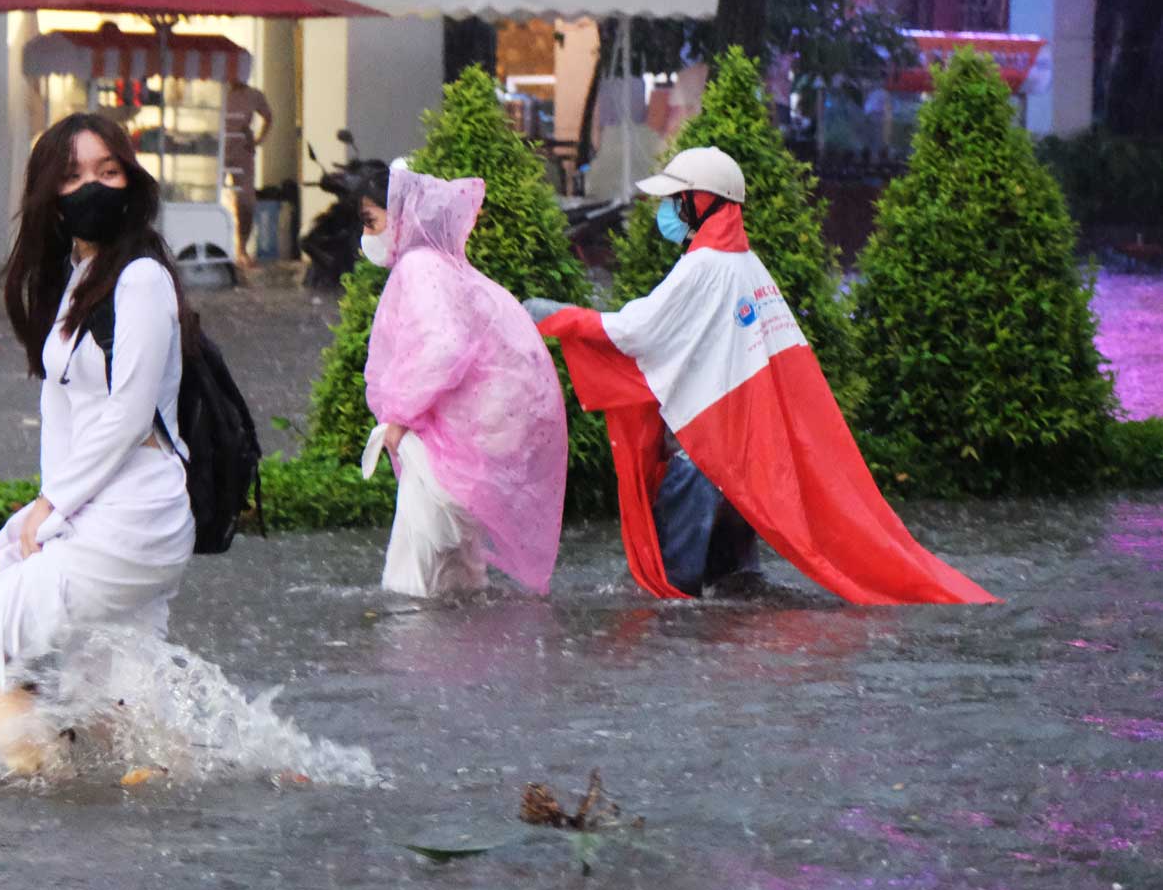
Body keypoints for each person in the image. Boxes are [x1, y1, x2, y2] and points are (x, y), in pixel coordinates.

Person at [525, 146, 997, 605]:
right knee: (734, 584)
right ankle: (731, 577)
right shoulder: (745, 264)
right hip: (744, 451)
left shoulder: (706, 265)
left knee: (673, 595)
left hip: (713, 448)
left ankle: (674, 595)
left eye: (675, 199)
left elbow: (637, 331)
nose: (667, 210)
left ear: (699, 201)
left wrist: (561, 317)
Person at [0, 113, 196, 772]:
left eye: (108, 172)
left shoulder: (138, 277)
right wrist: (47, 511)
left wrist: (54, 502)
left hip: (133, 512)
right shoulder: (86, 277)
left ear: (132, 181)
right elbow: (71, 416)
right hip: (111, 511)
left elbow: (129, 411)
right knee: (118, 709)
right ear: (48, 194)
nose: (93, 187)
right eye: (73, 175)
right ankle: (193, 790)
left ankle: (41, 775)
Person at [358, 163, 568, 598]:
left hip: (450, 448)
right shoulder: (449, 266)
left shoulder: (419, 267)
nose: (369, 234)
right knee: (459, 575)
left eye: (372, 221)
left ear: (400, 217)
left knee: (411, 584)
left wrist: (398, 415)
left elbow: (444, 347)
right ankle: (461, 657)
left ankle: (409, 663)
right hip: (479, 448)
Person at [223, 77, 273, 268]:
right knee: (208, 197)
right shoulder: (220, 90)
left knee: (245, 201)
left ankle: (241, 248)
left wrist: (258, 141)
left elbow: (269, 117)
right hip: (218, 148)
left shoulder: (253, 95)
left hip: (242, 151)